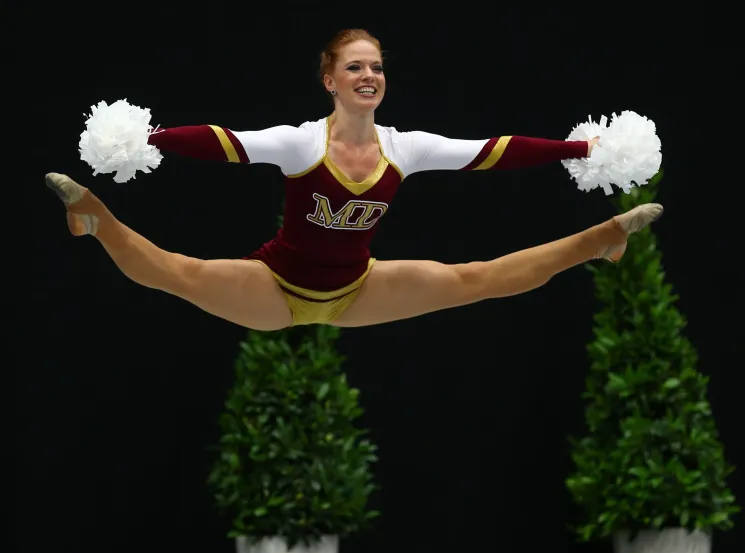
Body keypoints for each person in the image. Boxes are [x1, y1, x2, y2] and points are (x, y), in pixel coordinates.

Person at [46, 28, 663, 331]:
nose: (369, 75)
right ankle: (94, 215)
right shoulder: (300, 143)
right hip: (275, 287)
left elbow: (494, 153)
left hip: (359, 289)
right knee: (176, 273)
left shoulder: (406, 148)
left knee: (478, 280)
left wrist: (580, 147)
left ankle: (603, 237)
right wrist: (146, 140)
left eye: (376, 67)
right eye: (354, 67)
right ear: (330, 81)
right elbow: (223, 143)